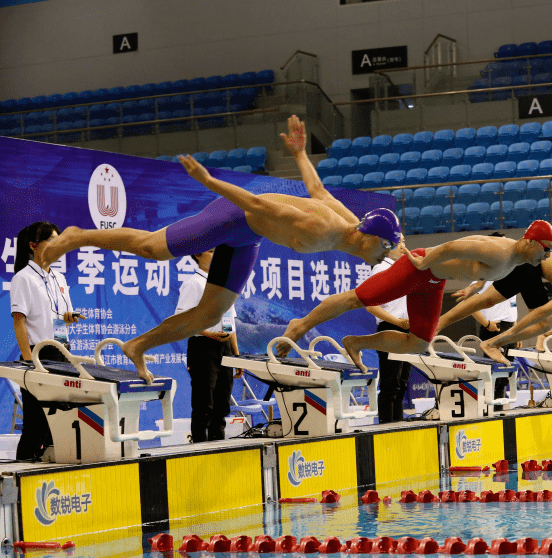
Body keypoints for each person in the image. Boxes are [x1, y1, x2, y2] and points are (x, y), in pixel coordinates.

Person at [39, 115, 401, 383]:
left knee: (210, 314)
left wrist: (301, 153)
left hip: (248, 238)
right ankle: (75, 236)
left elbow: (319, 191)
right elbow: (258, 206)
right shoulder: (322, 229)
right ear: (371, 237)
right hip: (234, 217)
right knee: (153, 248)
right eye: (384, 250)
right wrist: (211, 182)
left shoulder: (350, 223)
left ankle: (138, 346)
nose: (383, 257)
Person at [278, 221, 552, 370]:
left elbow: (485, 292)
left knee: (418, 344)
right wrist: (425, 262)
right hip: (420, 268)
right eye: (546, 249)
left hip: (434, 281)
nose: (548, 255)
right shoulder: (501, 251)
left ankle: (356, 343)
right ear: (531, 241)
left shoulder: (515, 263)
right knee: (358, 298)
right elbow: (453, 245)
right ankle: (299, 325)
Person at [10, 222, 84, 460]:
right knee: (36, 424)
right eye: (51, 240)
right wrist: (29, 362)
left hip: (61, 353)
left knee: (58, 421)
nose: (58, 244)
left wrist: (68, 318)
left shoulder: (59, 277)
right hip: (38, 356)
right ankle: (20, 479)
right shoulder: (23, 278)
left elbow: (60, 319)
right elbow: (19, 322)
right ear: (33, 246)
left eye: (59, 239)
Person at [174, 249, 241, 443]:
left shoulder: (225, 286)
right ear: (197, 255)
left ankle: (218, 446)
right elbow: (183, 321)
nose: (216, 256)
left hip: (225, 348)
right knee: (204, 404)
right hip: (204, 347)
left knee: (222, 405)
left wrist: (236, 355)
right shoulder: (193, 284)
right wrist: (209, 333)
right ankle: (199, 449)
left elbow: (230, 323)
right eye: (211, 252)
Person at [365, 247, 411, 424]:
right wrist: (396, 321)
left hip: (406, 328)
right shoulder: (381, 269)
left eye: (404, 241)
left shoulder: (404, 269)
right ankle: (386, 427)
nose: (403, 246)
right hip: (391, 328)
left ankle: (398, 424)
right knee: (390, 385)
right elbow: (371, 305)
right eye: (398, 242)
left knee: (401, 384)